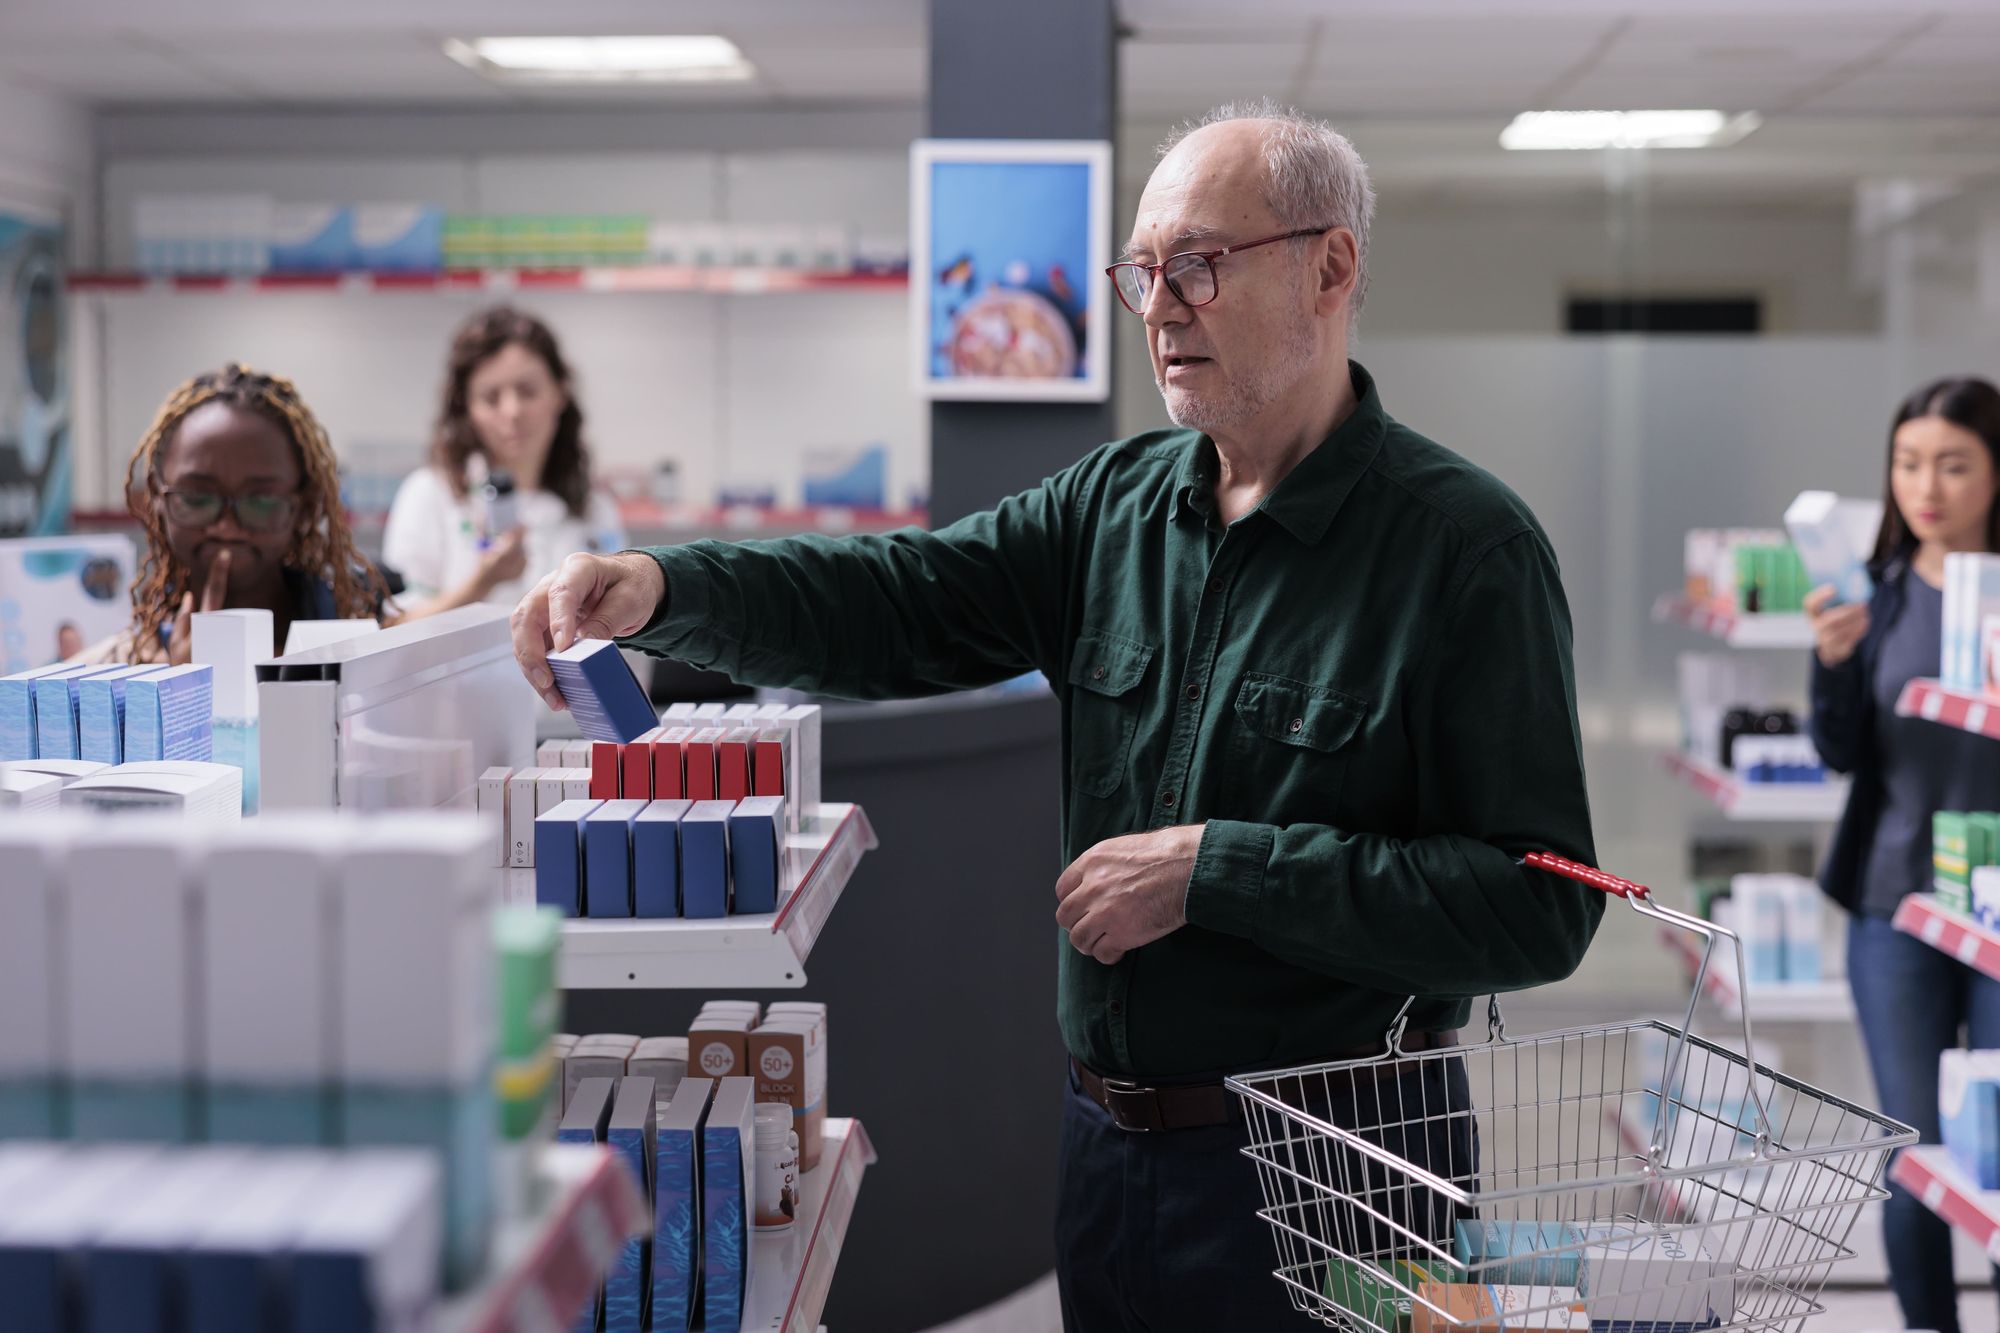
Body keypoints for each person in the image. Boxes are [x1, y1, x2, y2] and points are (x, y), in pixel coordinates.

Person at [506, 100, 1600, 1330]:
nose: (1159, 308)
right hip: (1107, 1156)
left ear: (1329, 266)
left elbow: (1538, 903)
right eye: (1140, 274)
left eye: (1197, 264)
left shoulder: (1464, 550)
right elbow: (898, 599)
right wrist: (668, 589)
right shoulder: (1112, 508)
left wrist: (1219, 871)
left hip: (1341, 1178)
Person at [1807, 376, 2000, 1333]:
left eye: (1955, 464)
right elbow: (1840, 753)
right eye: (1909, 462)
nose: (1927, 486)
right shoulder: (1870, 599)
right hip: (1896, 909)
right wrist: (1834, 665)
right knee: (1914, 1149)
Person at [100, 363, 390, 665]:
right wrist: (182, 693)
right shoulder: (121, 668)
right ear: (157, 501)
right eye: (197, 499)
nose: (226, 528)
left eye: (261, 501)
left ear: (304, 508)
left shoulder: (368, 645)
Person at [383, 306, 625, 619]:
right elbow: (394, 626)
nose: (512, 411)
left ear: (560, 393)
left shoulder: (595, 507)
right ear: (467, 407)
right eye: (490, 397)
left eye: (527, 391)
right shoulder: (429, 493)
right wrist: (483, 583)